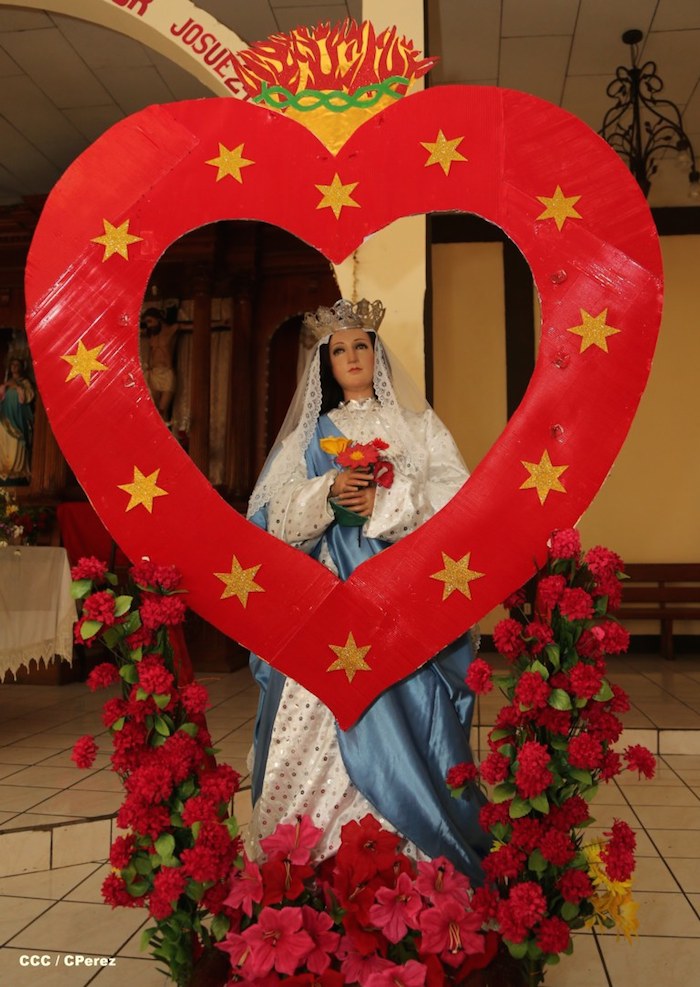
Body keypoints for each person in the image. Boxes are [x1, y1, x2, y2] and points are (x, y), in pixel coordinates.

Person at [246, 299, 491, 882]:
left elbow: (459, 503)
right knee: (319, 703)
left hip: (400, 597)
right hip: (329, 597)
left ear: (376, 355)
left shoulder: (417, 427)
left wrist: (387, 502)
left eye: (361, 346)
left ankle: (415, 855)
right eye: (340, 350)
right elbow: (267, 516)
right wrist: (326, 494)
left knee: (409, 697)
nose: (352, 357)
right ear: (326, 364)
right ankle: (309, 861)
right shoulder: (308, 435)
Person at [140, 308, 180, 420]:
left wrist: (220, 323)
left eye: (150, 321)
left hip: (167, 372)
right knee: (154, 409)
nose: (149, 325)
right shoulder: (150, 334)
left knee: (163, 409)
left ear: (159, 319)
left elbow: (191, 326)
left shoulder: (171, 330)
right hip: (154, 373)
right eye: (146, 322)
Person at [0, 357, 34, 482]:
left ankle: (17, 469)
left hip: (18, 418)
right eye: (12, 364)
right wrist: (4, 388)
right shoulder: (7, 382)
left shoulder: (25, 382)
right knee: (4, 441)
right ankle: (4, 468)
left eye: (17, 364)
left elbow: (28, 397)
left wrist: (17, 387)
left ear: (21, 367)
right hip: (5, 417)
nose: (14, 367)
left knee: (17, 442)